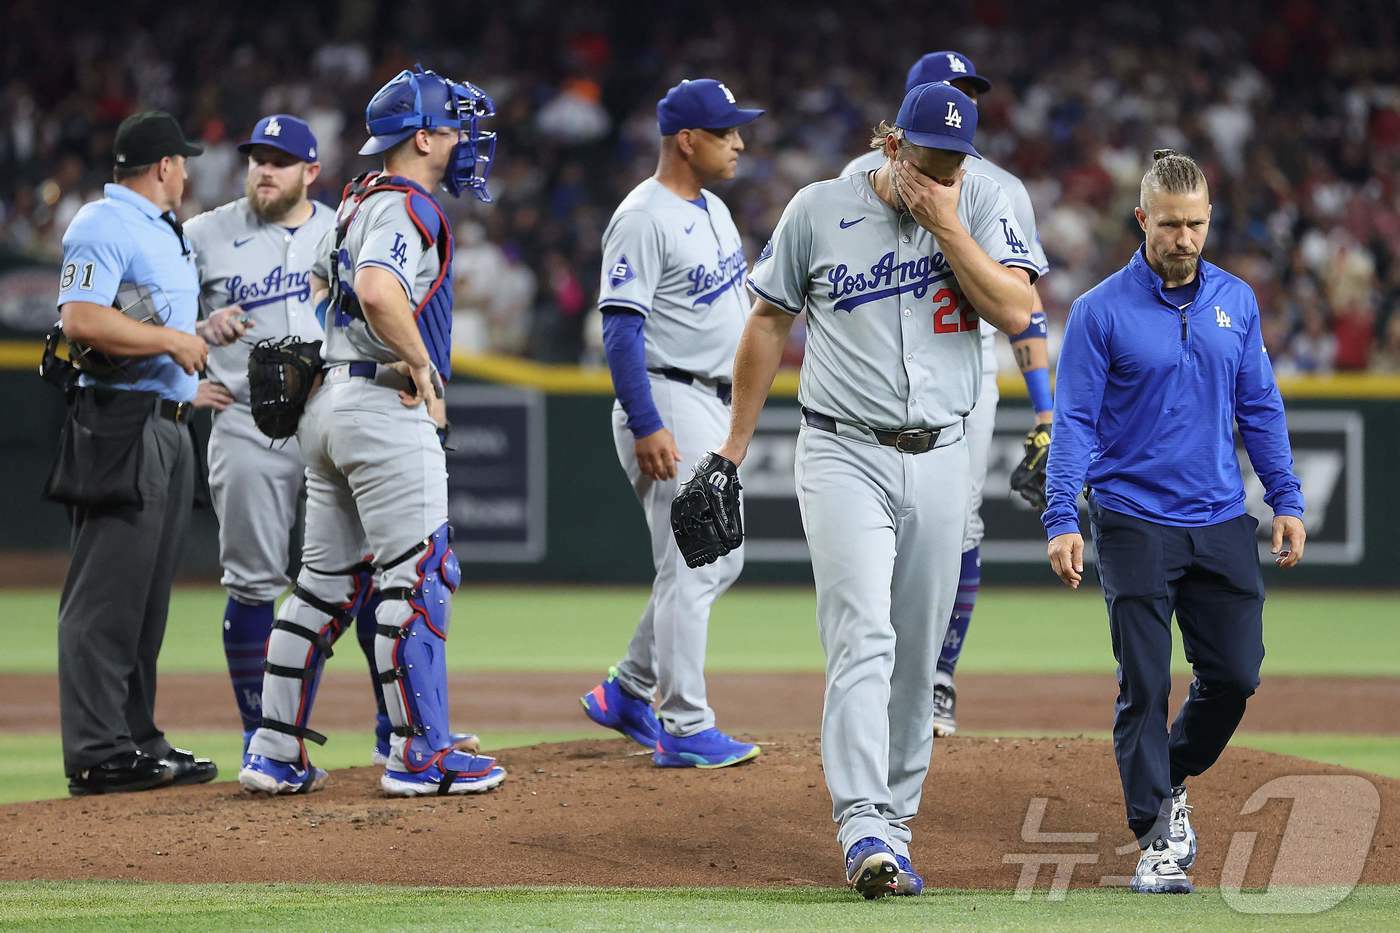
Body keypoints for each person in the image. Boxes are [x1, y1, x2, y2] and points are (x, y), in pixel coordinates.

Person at [706, 82, 1035, 897]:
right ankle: (862, 826)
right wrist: (730, 453)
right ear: (893, 146)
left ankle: (897, 823)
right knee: (864, 634)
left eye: (957, 160)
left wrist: (948, 224)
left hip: (944, 453)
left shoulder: (979, 203)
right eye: (931, 158)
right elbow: (767, 323)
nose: (945, 172)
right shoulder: (819, 209)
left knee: (918, 656)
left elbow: (1018, 308)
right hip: (842, 449)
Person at [1043, 150, 1307, 895]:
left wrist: (1286, 499)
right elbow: (1074, 421)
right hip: (1131, 518)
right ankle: (1155, 839)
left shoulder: (1237, 301)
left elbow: (1260, 406)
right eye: (1168, 225)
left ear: (1209, 220)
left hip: (1221, 517)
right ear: (1142, 220)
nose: (1183, 238)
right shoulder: (1099, 311)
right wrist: (1062, 514)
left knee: (1235, 675)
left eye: (1194, 224)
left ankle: (1171, 773)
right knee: (1145, 682)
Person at [238, 65, 502, 797]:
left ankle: (274, 750)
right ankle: (420, 753)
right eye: (453, 128)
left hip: (330, 401)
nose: (464, 141)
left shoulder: (355, 200)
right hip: (382, 404)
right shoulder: (408, 206)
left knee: (322, 587)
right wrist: (421, 365)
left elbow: (322, 284)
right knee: (418, 578)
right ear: (423, 138)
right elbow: (380, 291)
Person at [841, 52, 1054, 737]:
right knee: (872, 534)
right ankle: (878, 673)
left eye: (969, 92)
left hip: (964, 375)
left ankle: (937, 677)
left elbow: (1025, 308)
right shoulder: (855, 182)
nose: (963, 102)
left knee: (957, 527)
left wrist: (1045, 407)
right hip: (873, 377)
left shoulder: (997, 189)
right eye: (948, 91)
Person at [578, 79, 764, 770]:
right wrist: (646, 420)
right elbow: (620, 329)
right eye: (725, 132)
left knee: (721, 558)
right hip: (667, 395)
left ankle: (628, 688)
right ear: (688, 140)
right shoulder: (641, 216)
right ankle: (684, 724)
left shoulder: (715, 208)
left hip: (712, 400)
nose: (738, 143)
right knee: (695, 558)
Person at [52, 111, 234, 795]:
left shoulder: (159, 227)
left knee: (144, 601)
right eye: (182, 161)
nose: (186, 171)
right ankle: (97, 750)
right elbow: (81, 319)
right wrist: (172, 342)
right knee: (104, 598)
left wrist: (195, 340)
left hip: (167, 420)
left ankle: (136, 739)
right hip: (120, 424)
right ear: (164, 166)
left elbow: (147, 323)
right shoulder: (103, 222)